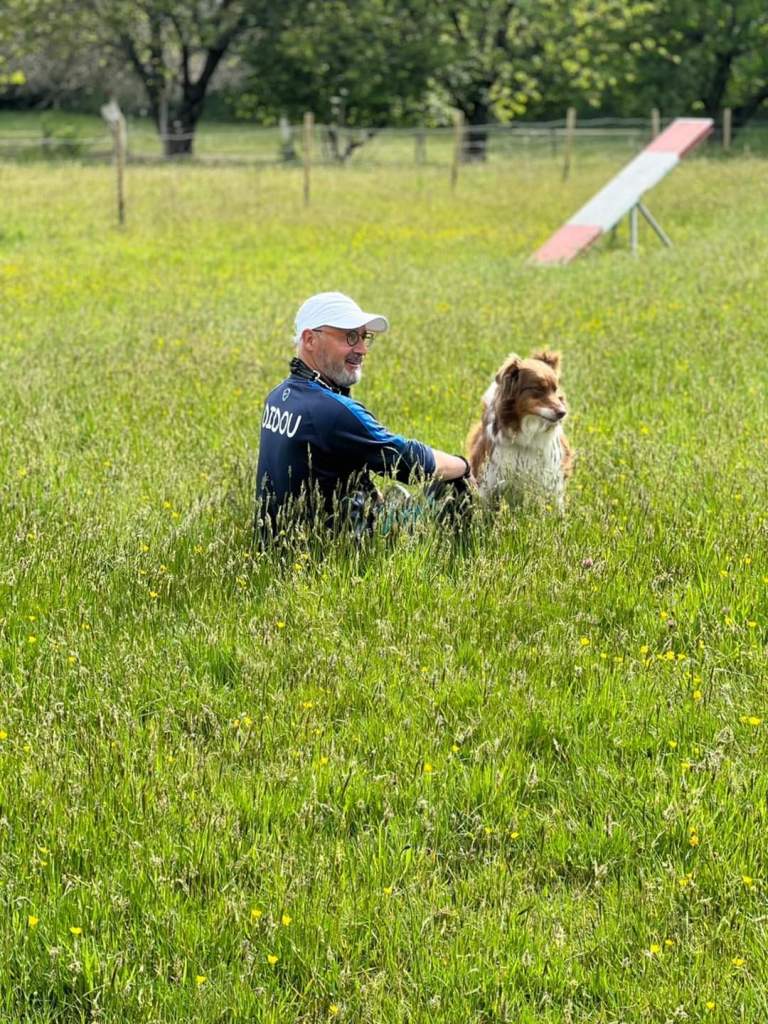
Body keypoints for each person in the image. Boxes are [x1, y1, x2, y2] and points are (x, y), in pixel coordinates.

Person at [255, 291, 472, 540]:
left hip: (277, 546)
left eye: (364, 337)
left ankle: (388, 508)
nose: (362, 349)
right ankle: (464, 547)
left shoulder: (278, 396)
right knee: (452, 484)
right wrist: (464, 466)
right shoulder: (331, 410)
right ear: (310, 339)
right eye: (350, 337)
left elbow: (333, 464)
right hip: (331, 552)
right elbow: (409, 461)